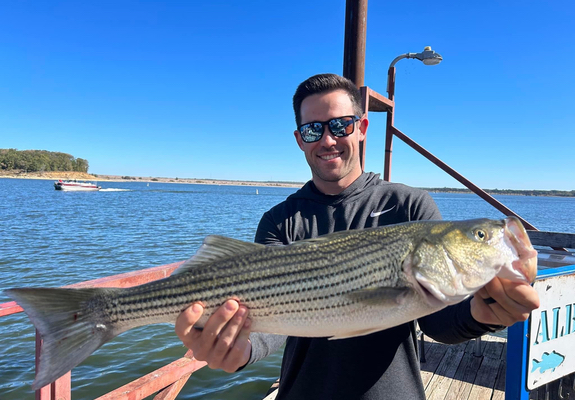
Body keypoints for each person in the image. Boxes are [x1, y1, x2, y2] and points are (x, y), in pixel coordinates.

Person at [175, 73, 540, 399]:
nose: (328, 139)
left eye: (341, 125)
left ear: (362, 127)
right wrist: (240, 350)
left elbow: (436, 321)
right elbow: (271, 320)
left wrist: (483, 312)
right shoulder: (281, 219)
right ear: (300, 139)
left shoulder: (409, 205)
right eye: (313, 130)